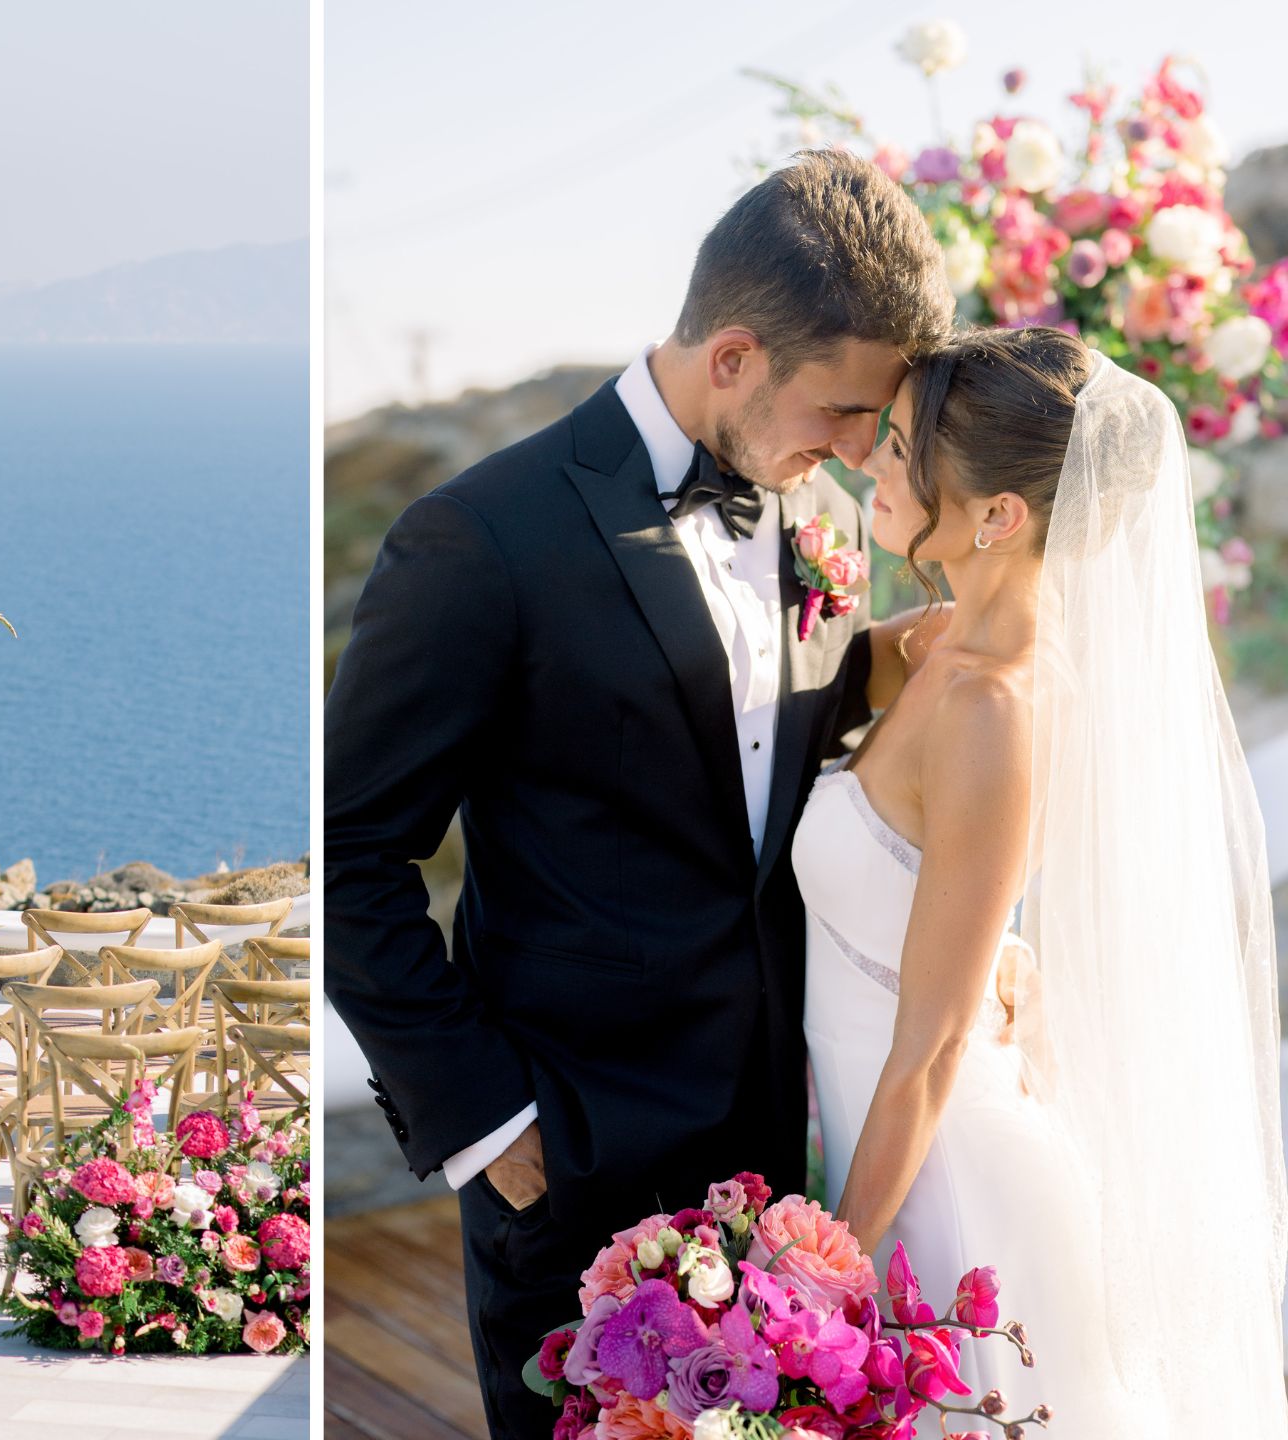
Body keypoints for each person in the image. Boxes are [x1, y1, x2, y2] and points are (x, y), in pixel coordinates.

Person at [323, 148, 952, 1437]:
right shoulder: (480, 538)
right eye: (840, 413)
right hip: (574, 1167)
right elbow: (348, 855)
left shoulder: (814, 515)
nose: (853, 451)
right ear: (732, 358)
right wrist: (488, 1127)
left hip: (791, 1168)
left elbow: (776, 761)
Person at [799, 325, 1288, 1433]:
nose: (869, 461)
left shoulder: (990, 706)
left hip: (948, 1192)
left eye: (903, 448)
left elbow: (924, 1053)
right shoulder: (929, 647)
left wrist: (820, 1278)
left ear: (997, 515)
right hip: (885, 1139)